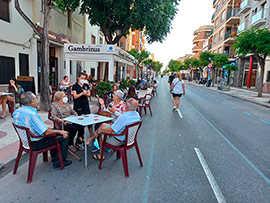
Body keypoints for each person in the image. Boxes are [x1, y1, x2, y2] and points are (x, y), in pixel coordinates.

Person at [13, 91, 72, 168]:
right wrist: (60, 131)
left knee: (54, 131)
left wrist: (55, 130)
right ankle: (60, 161)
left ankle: (55, 157)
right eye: (35, 98)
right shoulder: (32, 114)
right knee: (65, 135)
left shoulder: (17, 111)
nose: (36, 99)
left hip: (26, 141)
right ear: (32, 101)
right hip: (35, 143)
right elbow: (45, 132)